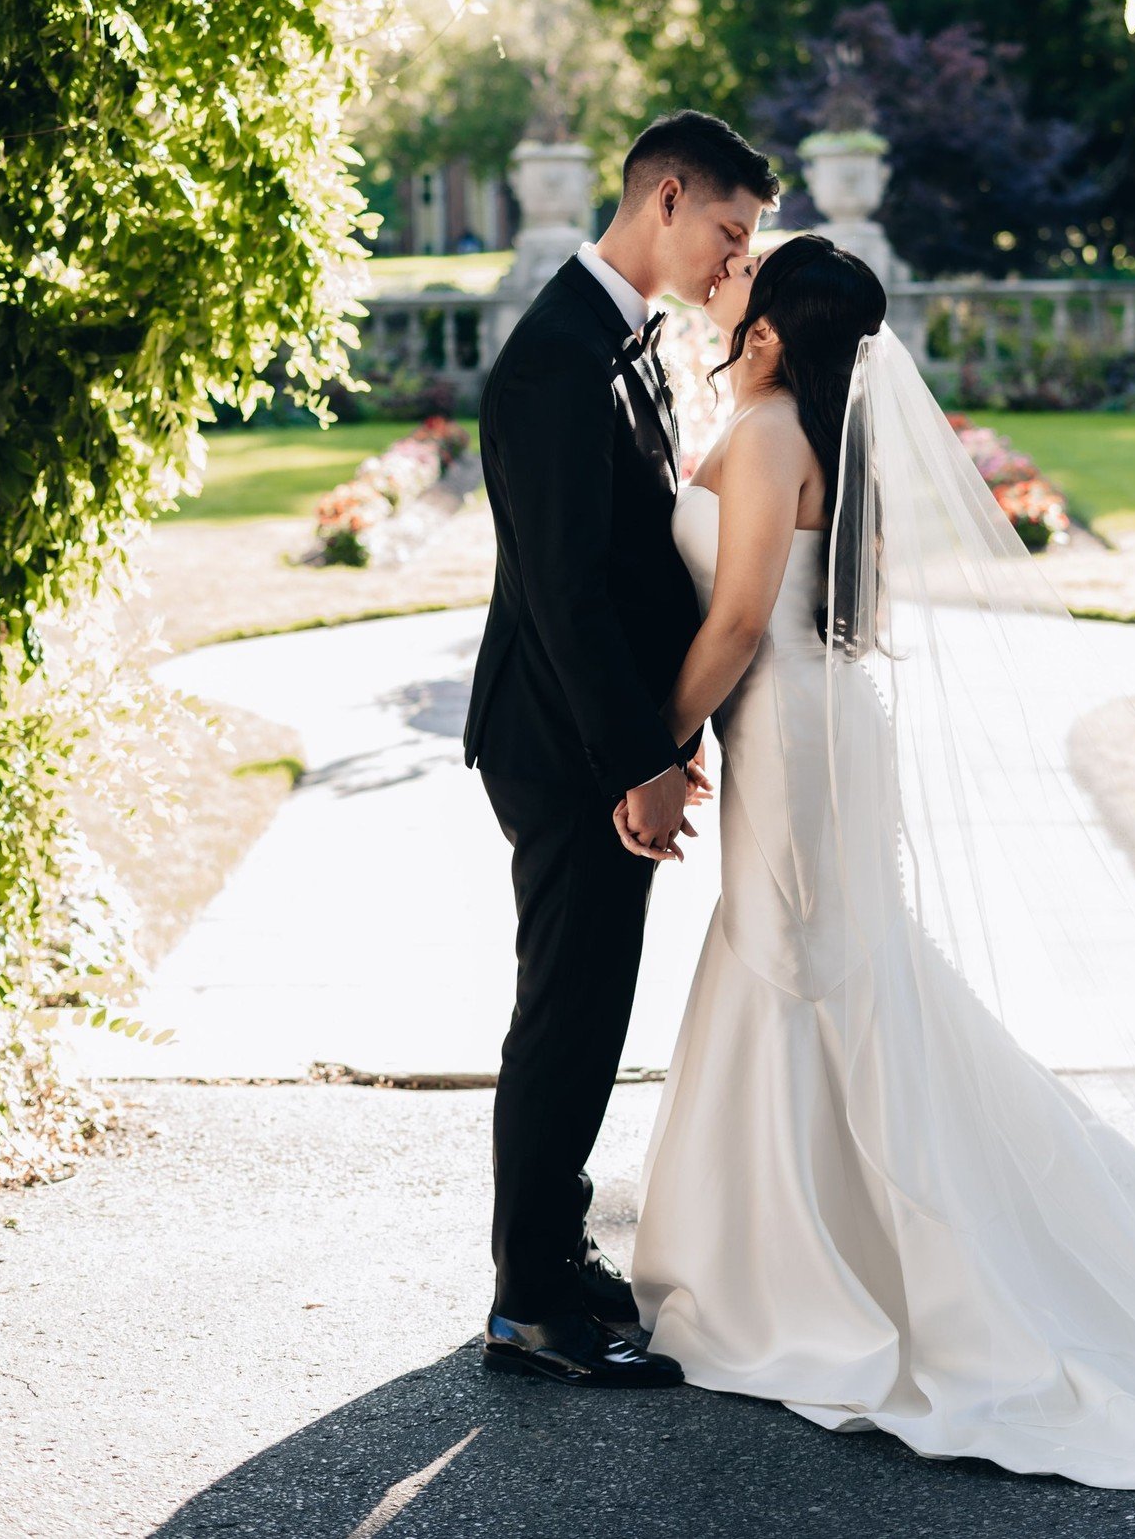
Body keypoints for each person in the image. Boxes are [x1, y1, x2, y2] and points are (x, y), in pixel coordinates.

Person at [619, 233, 1135, 1520]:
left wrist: (653, 751)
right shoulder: (798, 422)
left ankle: (817, 1271)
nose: (730, 275)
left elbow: (735, 621)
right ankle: (793, 1242)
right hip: (800, 722)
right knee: (814, 963)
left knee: (802, 962)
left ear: (771, 330)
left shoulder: (772, 433)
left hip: (790, 729)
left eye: (749, 275)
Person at [463, 110, 778, 1387]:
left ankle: (553, 1248)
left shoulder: (628, 339)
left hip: (606, 730)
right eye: (729, 230)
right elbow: (567, 595)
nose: (735, 259)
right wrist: (639, 760)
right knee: (567, 1010)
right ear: (667, 197)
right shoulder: (556, 357)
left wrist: (666, 731)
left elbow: (636, 566)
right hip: (560, 742)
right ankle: (531, 1303)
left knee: (591, 1005)